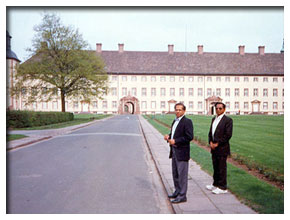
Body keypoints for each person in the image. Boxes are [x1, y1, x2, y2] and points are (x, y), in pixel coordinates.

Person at [164, 103, 193, 203]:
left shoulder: (187, 122)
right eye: (176, 109)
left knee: (182, 175)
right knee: (175, 173)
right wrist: (168, 136)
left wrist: (176, 141)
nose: (178, 111)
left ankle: (182, 195)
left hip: (182, 152)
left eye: (180, 110)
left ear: (184, 111)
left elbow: (189, 137)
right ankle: (177, 191)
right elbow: (174, 134)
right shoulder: (174, 121)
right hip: (174, 151)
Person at [206, 102, 233, 194]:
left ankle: (222, 187)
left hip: (222, 148)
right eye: (216, 108)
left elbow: (228, 135)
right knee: (215, 166)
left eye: (220, 108)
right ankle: (215, 183)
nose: (218, 110)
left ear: (224, 109)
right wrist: (210, 141)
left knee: (221, 167)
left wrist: (217, 143)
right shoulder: (214, 119)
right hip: (214, 147)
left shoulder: (228, 120)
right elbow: (211, 132)